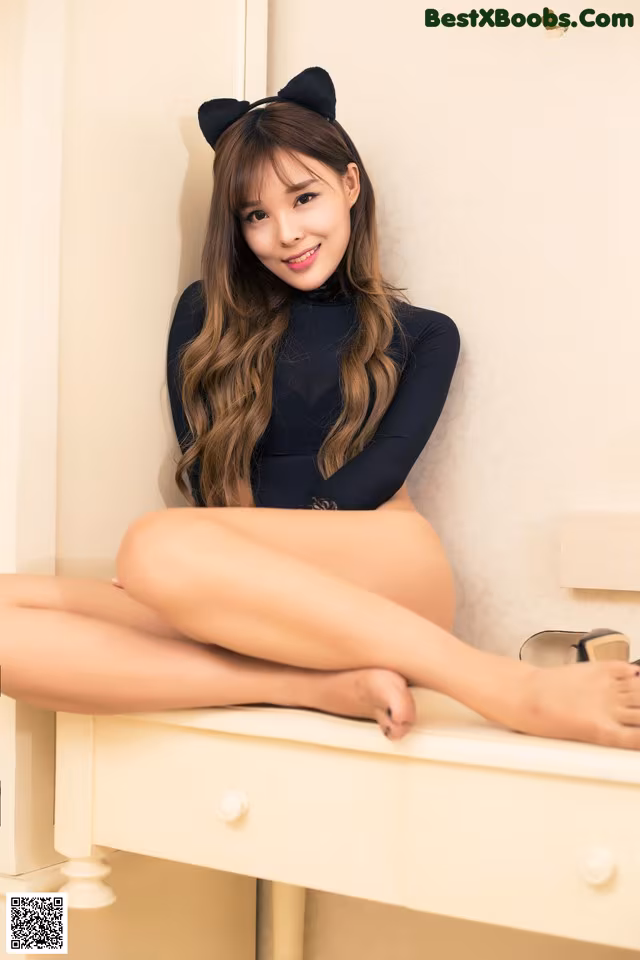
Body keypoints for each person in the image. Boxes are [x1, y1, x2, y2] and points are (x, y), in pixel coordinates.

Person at [2, 67, 639, 751]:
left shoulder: (425, 333)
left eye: (304, 198)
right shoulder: (203, 317)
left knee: (155, 544)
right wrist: (217, 575)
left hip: (387, 567)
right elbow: (203, 472)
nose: (286, 233)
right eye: (256, 215)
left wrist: (219, 560)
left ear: (350, 185)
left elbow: (375, 475)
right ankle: (308, 685)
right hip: (256, 586)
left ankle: (498, 684)